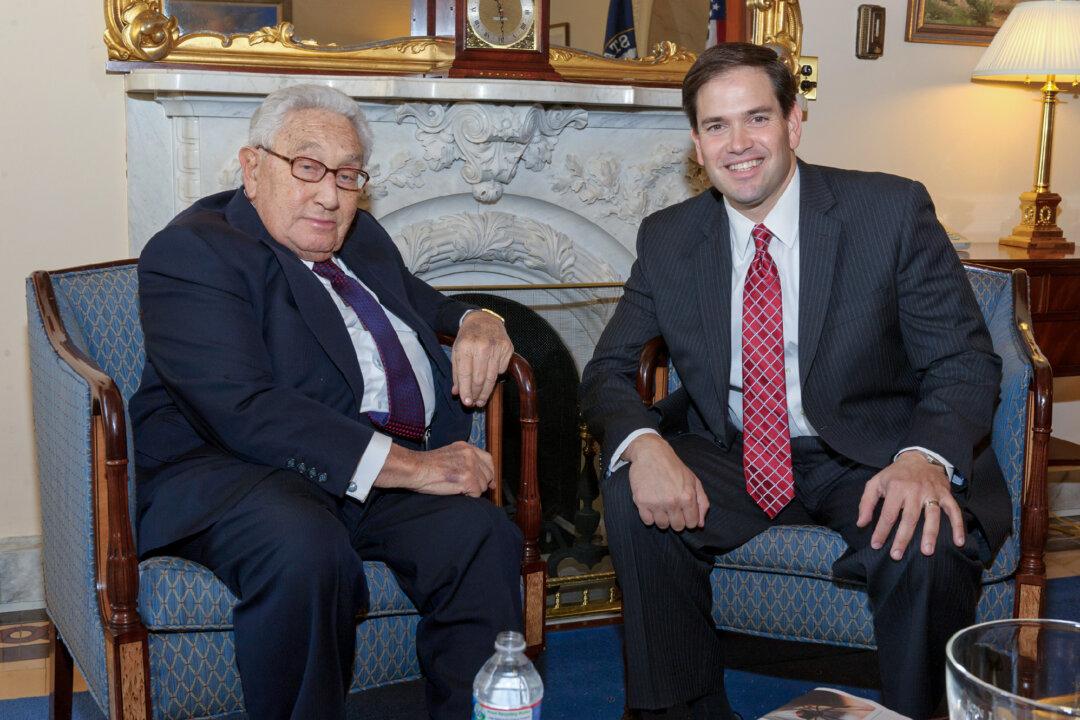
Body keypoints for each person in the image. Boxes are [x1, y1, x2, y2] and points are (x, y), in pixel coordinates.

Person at [579, 43, 1010, 720]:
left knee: (923, 539)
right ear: (696, 144)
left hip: (867, 450)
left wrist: (924, 459)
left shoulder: (888, 212)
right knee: (635, 499)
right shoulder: (668, 237)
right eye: (716, 126)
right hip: (734, 449)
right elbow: (606, 369)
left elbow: (961, 360)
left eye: (756, 118)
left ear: (794, 122)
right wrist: (643, 442)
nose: (738, 144)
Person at [130, 83, 523, 720]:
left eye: (347, 174)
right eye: (308, 167)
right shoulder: (194, 252)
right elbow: (245, 408)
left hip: (364, 477)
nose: (330, 194)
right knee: (307, 550)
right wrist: (415, 467)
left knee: (483, 537)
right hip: (237, 475)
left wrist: (479, 317)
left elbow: (421, 305)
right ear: (252, 167)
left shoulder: (360, 239)